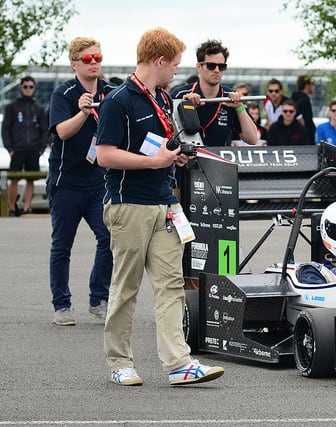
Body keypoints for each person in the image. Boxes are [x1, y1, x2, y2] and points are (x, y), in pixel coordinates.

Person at [95, 27, 224, 387]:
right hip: (128, 205)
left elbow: (162, 148)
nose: (177, 73)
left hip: (165, 203)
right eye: (176, 66)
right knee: (126, 287)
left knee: (171, 284)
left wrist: (172, 160)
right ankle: (120, 362)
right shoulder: (118, 100)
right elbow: (104, 155)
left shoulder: (164, 98)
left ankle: (178, 362)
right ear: (160, 60)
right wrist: (153, 162)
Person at [47, 37, 114, 326]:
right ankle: (61, 305)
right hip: (66, 183)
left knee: (109, 237)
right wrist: (83, 112)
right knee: (62, 246)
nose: (95, 62)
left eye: (98, 57)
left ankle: (98, 300)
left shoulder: (111, 91)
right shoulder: (64, 93)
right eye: (88, 59)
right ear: (75, 63)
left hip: (98, 182)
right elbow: (61, 132)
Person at [170, 39, 257, 147]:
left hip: (219, 160)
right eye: (211, 66)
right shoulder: (180, 95)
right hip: (187, 161)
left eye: (221, 67)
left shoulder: (230, 97)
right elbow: (166, 136)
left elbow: (252, 139)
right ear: (199, 67)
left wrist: (239, 107)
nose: (216, 70)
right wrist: (183, 108)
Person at [1, 76, 49, 216]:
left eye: (31, 87)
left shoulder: (39, 108)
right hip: (16, 149)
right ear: (21, 88)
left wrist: (41, 147)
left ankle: (27, 208)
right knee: (13, 179)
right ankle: (12, 208)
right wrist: (9, 148)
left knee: (31, 179)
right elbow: (5, 129)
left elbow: (44, 130)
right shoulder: (12, 107)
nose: (28, 89)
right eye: (25, 86)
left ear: (34, 88)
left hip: (34, 149)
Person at [291, 74, 316, 143]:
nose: (313, 87)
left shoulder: (294, 98)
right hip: (305, 138)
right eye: (312, 84)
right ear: (307, 85)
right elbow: (307, 120)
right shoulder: (304, 100)